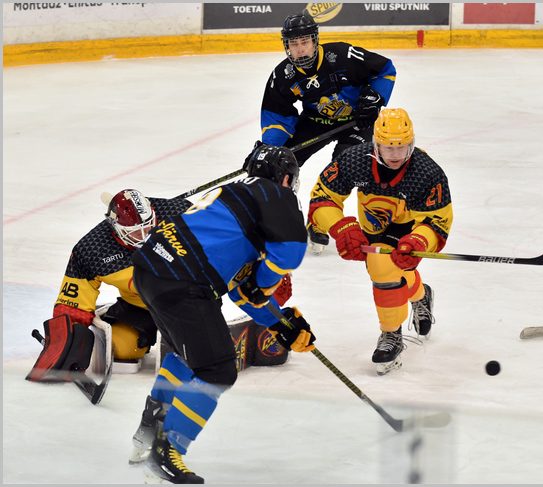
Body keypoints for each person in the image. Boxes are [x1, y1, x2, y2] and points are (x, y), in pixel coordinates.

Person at [130, 145, 316, 484]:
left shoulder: (234, 199)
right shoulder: (275, 195)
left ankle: (148, 430)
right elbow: (290, 252)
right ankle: (167, 450)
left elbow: (240, 291)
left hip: (151, 272)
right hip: (183, 283)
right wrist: (265, 284)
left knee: (186, 357)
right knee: (217, 369)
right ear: (285, 178)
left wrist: (280, 323)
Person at [26, 189, 292, 383]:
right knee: (122, 350)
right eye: (135, 233)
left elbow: (226, 248)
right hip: (139, 306)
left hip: (188, 301)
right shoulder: (92, 249)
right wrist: (67, 338)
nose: (144, 237)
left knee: (195, 355)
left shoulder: (180, 213)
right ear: (115, 228)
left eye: (148, 227)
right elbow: (72, 302)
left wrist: (265, 280)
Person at [308, 108, 453, 375]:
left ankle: (391, 335)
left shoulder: (426, 171)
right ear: (376, 144)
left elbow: (438, 221)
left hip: (410, 229)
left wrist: (419, 241)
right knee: (390, 273)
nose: (395, 155)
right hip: (372, 226)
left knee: (383, 268)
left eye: (402, 147)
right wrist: (341, 227)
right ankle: (421, 295)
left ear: (411, 144)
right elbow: (322, 198)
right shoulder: (355, 159)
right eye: (389, 147)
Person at [246, 12, 397, 253]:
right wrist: (271, 147)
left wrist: (374, 97)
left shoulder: (343, 56)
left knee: (342, 167)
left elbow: (385, 69)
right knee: (277, 164)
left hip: (357, 121)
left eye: (305, 42)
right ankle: (272, 221)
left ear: (315, 41)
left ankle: (318, 218)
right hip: (315, 121)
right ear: (286, 46)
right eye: (294, 44)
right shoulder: (283, 75)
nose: (300, 50)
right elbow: (278, 115)